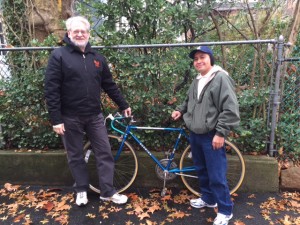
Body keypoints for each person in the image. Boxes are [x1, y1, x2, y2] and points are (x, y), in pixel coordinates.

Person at [44, 16, 131, 206]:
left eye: (83, 31)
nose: (80, 34)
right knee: (75, 155)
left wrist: (123, 104)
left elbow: (109, 85)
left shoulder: (97, 58)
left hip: (94, 116)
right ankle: (81, 190)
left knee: (104, 152)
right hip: (69, 117)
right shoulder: (58, 56)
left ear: (88, 34)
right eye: (76, 31)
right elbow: (51, 90)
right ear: (69, 33)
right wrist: (56, 119)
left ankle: (107, 191)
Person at [171, 46, 240, 225]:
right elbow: (189, 101)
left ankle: (225, 210)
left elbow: (230, 109)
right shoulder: (197, 80)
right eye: (196, 59)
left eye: (202, 57)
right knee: (201, 169)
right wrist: (180, 110)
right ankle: (209, 199)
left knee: (216, 174)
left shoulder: (221, 78)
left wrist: (220, 133)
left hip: (212, 135)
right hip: (195, 133)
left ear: (211, 59)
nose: (199, 61)